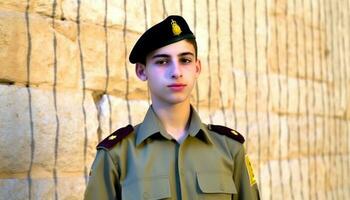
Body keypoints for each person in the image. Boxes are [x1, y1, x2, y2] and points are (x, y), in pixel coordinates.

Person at [84, 15, 260, 200]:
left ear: (197, 68)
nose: (176, 72)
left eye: (185, 60)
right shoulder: (116, 156)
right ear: (142, 71)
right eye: (162, 61)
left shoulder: (230, 149)